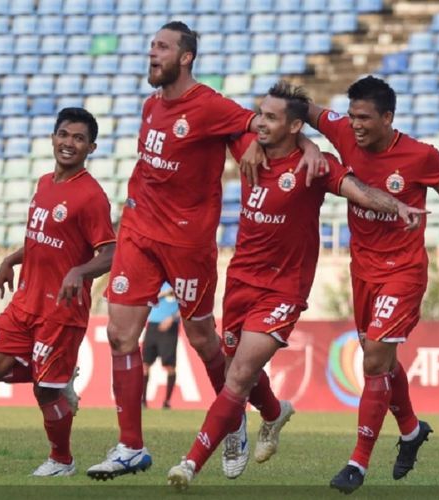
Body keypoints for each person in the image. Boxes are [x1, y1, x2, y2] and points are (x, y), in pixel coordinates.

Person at [86, 20, 328, 482]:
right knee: (119, 335)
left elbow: (268, 132)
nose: (152, 53)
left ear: (185, 57)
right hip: (139, 232)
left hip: (187, 243)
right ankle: (130, 447)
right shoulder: (150, 106)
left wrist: (309, 144)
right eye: (151, 46)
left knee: (202, 338)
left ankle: (237, 418)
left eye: (162, 47)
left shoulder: (211, 105)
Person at [166, 80, 428, 490]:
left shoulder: (316, 165)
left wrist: (396, 205)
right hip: (240, 280)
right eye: (260, 115)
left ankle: (191, 462)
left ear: (293, 126)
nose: (260, 123)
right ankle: (272, 414)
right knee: (237, 365)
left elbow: (358, 191)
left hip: (283, 290)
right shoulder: (245, 148)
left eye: (270, 118)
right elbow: (218, 122)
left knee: (238, 375)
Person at [304, 75, 439, 493]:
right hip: (362, 271)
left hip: (403, 272)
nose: (355, 125)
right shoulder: (344, 132)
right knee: (382, 360)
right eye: (351, 117)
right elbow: (304, 111)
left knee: (372, 360)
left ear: (388, 117)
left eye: (365, 118)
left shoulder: (421, 156)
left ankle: (358, 462)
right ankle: (410, 430)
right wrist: (310, 143)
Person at [0, 108, 116, 477]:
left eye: (79, 139)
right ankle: (58, 375)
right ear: (53, 138)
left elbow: (112, 253)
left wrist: (80, 271)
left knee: (45, 393)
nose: (69, 143)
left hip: (61, 309)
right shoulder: (44, 182)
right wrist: (12, 258)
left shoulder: (91, 197)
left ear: (92, 147)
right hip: (26, 300)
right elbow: (44, 241)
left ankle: (62, 460)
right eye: (64, 135)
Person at [141, 282, 180, 409]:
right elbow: (146, 298)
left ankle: (167, 401)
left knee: (169, 365)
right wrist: (165, 293)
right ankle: (143, 400)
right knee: (145, 364)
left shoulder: (178, 282)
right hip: (152, 325)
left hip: (170, 326)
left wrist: (172, 318)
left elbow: (187, 307)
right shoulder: (156, 282)